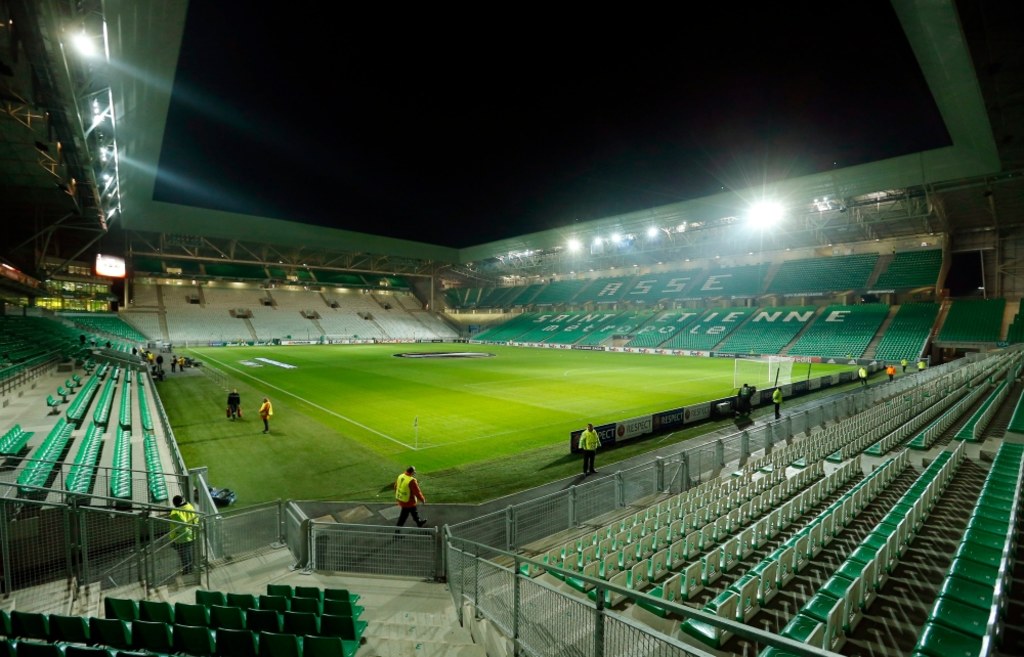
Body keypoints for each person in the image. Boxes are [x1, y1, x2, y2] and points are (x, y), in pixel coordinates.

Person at [169, 495, 199, 574]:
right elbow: (196, 519)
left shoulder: (175, 513)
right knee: (188, 553)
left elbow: (178, 527)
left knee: (183, 555)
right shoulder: (190, 507)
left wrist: (173, 539)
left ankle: (187, 571)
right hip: (192, 534)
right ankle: (190, 568)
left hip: (182, 538)